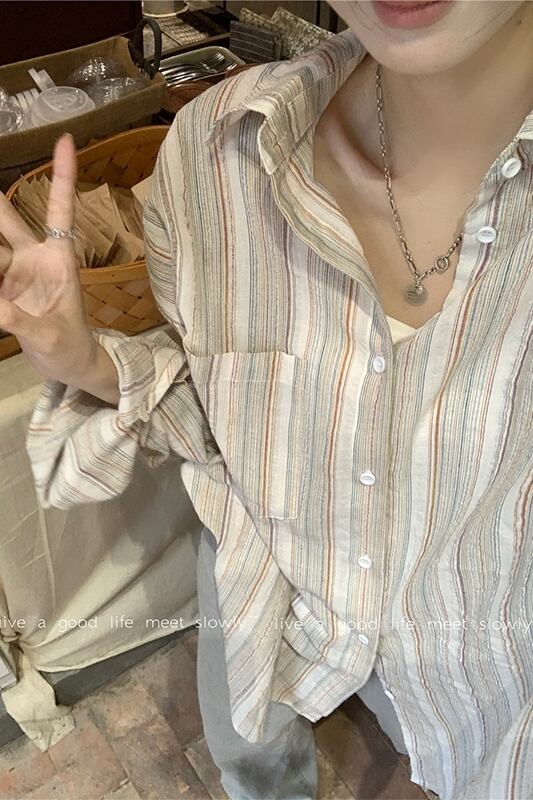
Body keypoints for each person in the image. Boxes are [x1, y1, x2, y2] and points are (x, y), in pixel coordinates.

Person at [0, 1, 531, 798]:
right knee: (252, 748)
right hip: (263, 573)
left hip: (473, 654)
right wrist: (90, 364)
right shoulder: (217, 153)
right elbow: (218, 411)